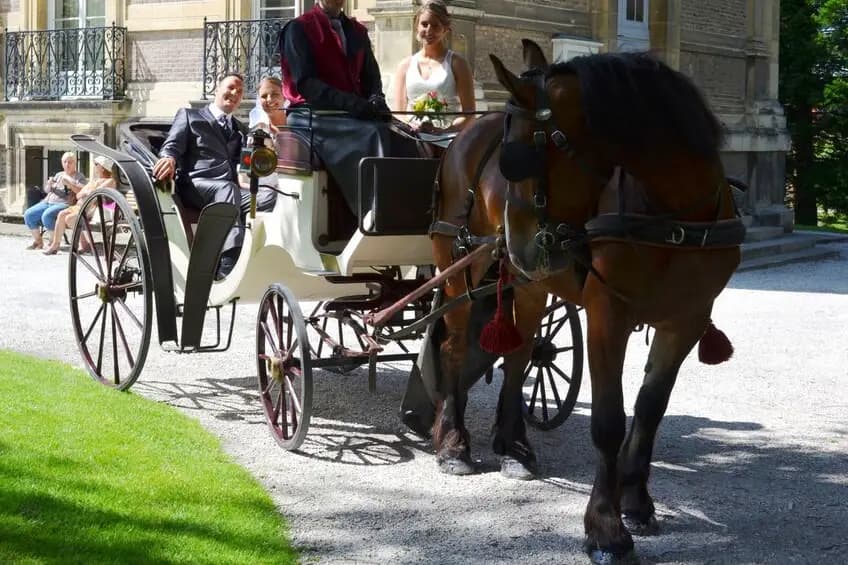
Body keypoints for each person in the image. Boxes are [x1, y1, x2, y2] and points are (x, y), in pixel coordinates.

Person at [279, 0, 420, 214]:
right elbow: (307, 84)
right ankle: (374, 213)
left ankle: (413, 212)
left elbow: (371, 76)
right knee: (375, 134)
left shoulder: (357, 31)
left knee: (407, 138)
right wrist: (355, 104)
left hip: (352, 113)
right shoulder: (298, 28)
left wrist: (376, 100)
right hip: (312, 115)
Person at [152, 73, 247, 279]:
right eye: (231, 87)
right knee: (228, 189)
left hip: (229, 188)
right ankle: (229, 260)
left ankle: (256, 255)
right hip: (196, 185)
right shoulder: (190, 116)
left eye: (240, 92)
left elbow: (245, 165)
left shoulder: (241, 129)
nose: (235, 93)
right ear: (216, 89)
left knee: (266, 197)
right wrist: (169, 158)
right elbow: (172, 145)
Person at [392, 0, 476, 133]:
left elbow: (469, 114)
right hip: (413, 135)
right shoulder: (405, 66)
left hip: (446, 136)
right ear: (416, 27)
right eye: (424, 24)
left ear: (445, 30)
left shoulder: (458, 64)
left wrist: (444, 131)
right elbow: (398, 112)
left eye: (435, 26)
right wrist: (412, 127)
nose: (429, 30)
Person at [43, 155, 116, 255]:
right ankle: (55, 245)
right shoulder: (94, 180)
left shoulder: (110, 181)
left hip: (92, 209)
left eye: (96, 164)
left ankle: (85, 243)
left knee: (69, 219)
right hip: (79, 206)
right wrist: (86, 192)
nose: (94, 166)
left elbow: (95, 193)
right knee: (61, 214)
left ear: (102, 167)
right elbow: (79, 195)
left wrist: (87, 192)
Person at [23, 152, 87, 250]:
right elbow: (46, 190)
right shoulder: (59, 174)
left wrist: (70, 184)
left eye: (70, 162)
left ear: (75, 163)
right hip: (47, 202)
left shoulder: (79, 176)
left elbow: (82, 191)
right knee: (28, 214)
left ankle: (53, 242)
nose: (67, 164)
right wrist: (49, 184)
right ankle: (38, 242)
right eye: (65, 162)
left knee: (47, 215)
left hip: (64, 204)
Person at [241, 76, 286, 214]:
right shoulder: (256, 133)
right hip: (263, 192)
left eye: (275, 94)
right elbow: (244, 173)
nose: (269, 100)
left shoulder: (297, 126)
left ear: (284, 96)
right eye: (264, 96)